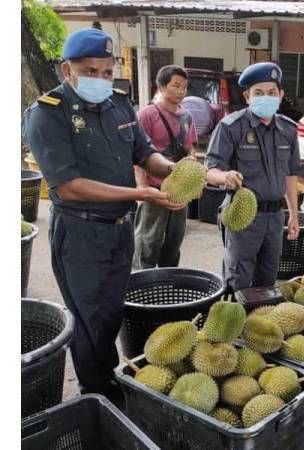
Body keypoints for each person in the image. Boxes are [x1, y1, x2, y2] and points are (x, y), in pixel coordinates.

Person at [21, 28, 185, 403]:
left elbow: (146, 155)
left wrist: (179, 171)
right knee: (90, 320)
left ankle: (107, 381)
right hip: (80, 233)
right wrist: (141, 194)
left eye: (107, 72)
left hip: (119, 230)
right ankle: (94, 394)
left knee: (111, 313)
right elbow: (68, 186)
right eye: (90, 70)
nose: (100, 79)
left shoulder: (119, 104)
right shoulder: (47, 115)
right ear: (67, 69)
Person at [205, 62, 302, 292]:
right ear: (247, 96)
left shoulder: (288, 130)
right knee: (238, 280)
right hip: (243, 217)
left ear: (280, 95)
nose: (265, 97)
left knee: (267, 280)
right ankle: (235, 325)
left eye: (271, 92)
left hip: (275, 217)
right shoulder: (231, 127)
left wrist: (294, 214)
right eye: (258, 93)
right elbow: (210, 170)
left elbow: (290, 174)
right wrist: (225, 176)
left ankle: (257, 324)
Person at [133, 65, 196, 270]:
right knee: (147, 243)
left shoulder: (186, 116)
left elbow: (189, 149)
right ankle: (142, 285)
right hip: (154, 189)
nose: (181, 91)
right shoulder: (147, 115)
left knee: (173, 243)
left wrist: (194, 183)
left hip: (179, 190)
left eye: (184, 87)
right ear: (161, 86)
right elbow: (137, 156)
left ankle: (168, 282)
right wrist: (143, 191)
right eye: (176, 85)